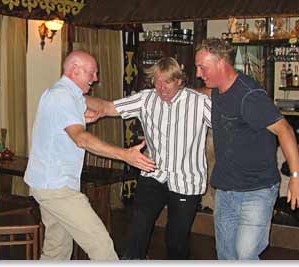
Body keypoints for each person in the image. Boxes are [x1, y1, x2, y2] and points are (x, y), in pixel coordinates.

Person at [24, 50, 155, 260]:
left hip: (49, 184)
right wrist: (124, 155)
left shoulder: (66, 95)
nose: (96, 79)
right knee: (101, 246)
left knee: (56, 250)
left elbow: (81, 120)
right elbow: (81, 139)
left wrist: (83, 118)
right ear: (75, 70)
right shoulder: (61, 96)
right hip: (56, 187)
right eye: (92, 73)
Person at [86, 57, 212, 259]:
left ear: (179, 80)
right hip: (154, 173)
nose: (161, 88)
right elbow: (107, 107)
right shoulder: (146, 99)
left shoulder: (199, 102)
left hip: (186, 180)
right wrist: (71, 93)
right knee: (138, 226)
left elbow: (227, 126)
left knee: (176, 240)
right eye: (157, 81)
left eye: (167, 82)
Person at [195, 38, 299, 260]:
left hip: (256, 191)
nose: (199, 73)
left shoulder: (250, 95)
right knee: (226, 255)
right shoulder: (218, 89)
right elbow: (206, 94)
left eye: (203, 67)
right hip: (226, 191)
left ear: (221, 64)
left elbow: (285, 130)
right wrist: (179, 91)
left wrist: (297, 176)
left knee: (245, 254)